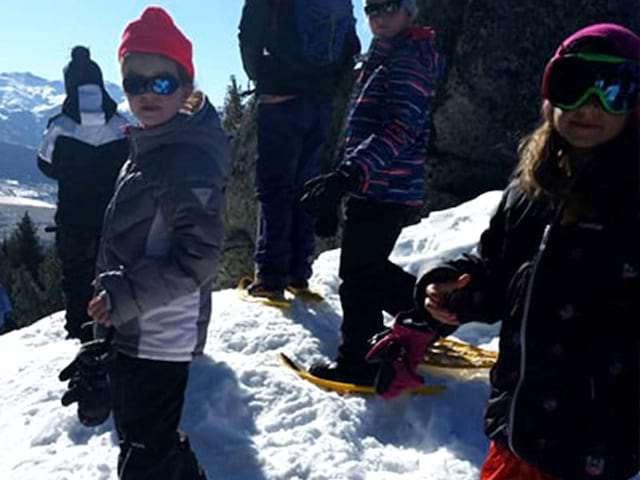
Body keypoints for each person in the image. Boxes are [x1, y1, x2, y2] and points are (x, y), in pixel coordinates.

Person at [372, 23, 640, 480]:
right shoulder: (532, 190)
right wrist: (451, 290)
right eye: (572, 85)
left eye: (614, 91)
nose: (589, 107)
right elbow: (498, 272)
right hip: (519, 430)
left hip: (600, 445)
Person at [83, 7, 229, 479]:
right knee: (147, 438)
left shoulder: (186, 160)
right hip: (134, 326)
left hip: (161, 336)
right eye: (134, 83)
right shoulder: (150, 145)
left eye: (161, 82)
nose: (147, 93)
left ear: (185, 87)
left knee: (144, 453)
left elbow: (198, 257)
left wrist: (123, 296)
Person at [301, 0, 443, 384]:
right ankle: (430, 314)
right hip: (374, 182)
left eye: (390, 6)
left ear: (410, 10)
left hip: (388, 186)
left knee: (358, 275)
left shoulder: (408, 59)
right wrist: (342, 184)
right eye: (372, 8)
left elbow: (399, 128)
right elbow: (360, 130)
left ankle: (359, 362)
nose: (379, 16)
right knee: (368, 267)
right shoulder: (383, 57)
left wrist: (347, 176)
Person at [238, 0, 361, 301]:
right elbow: (351, 44)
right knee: (306, 184)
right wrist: (329, 84)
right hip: (320, 101)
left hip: (281, 96)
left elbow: (249, 32)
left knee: (274, 185)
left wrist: (264, 76)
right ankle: (298, 272)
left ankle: (270, 275)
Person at [37, 46, 129, 342]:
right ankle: (114, 326)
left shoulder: (60, 126)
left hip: (73, 214)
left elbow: (45, 164)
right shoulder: (120, 124)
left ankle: (80, 332)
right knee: (112, 270)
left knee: (76, 276)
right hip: (113, 214)